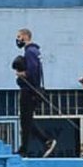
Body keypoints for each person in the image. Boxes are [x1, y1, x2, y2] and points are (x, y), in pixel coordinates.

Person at [14, 28, 56, 157]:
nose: (17, 39)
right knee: (26, 121)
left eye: (19, 36)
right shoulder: (34, 51)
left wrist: (22, 74)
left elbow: (32, 71)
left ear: (26, 36)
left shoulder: (30, 52)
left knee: (25, 121)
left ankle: (32, 146)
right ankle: (32, 145)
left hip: (29, 90)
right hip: (32, 90)